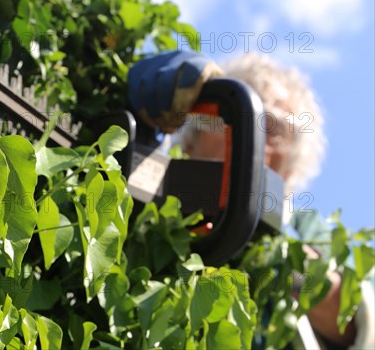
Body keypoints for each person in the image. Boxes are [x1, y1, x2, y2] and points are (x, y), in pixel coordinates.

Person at [128, 50, 374, 349]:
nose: (260, 138)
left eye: (277, 129)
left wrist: (283, 264)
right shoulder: (149, 201)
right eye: (244, 115)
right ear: (193, 134)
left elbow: (354, 318)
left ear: (292, 166)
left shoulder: (315, 235)